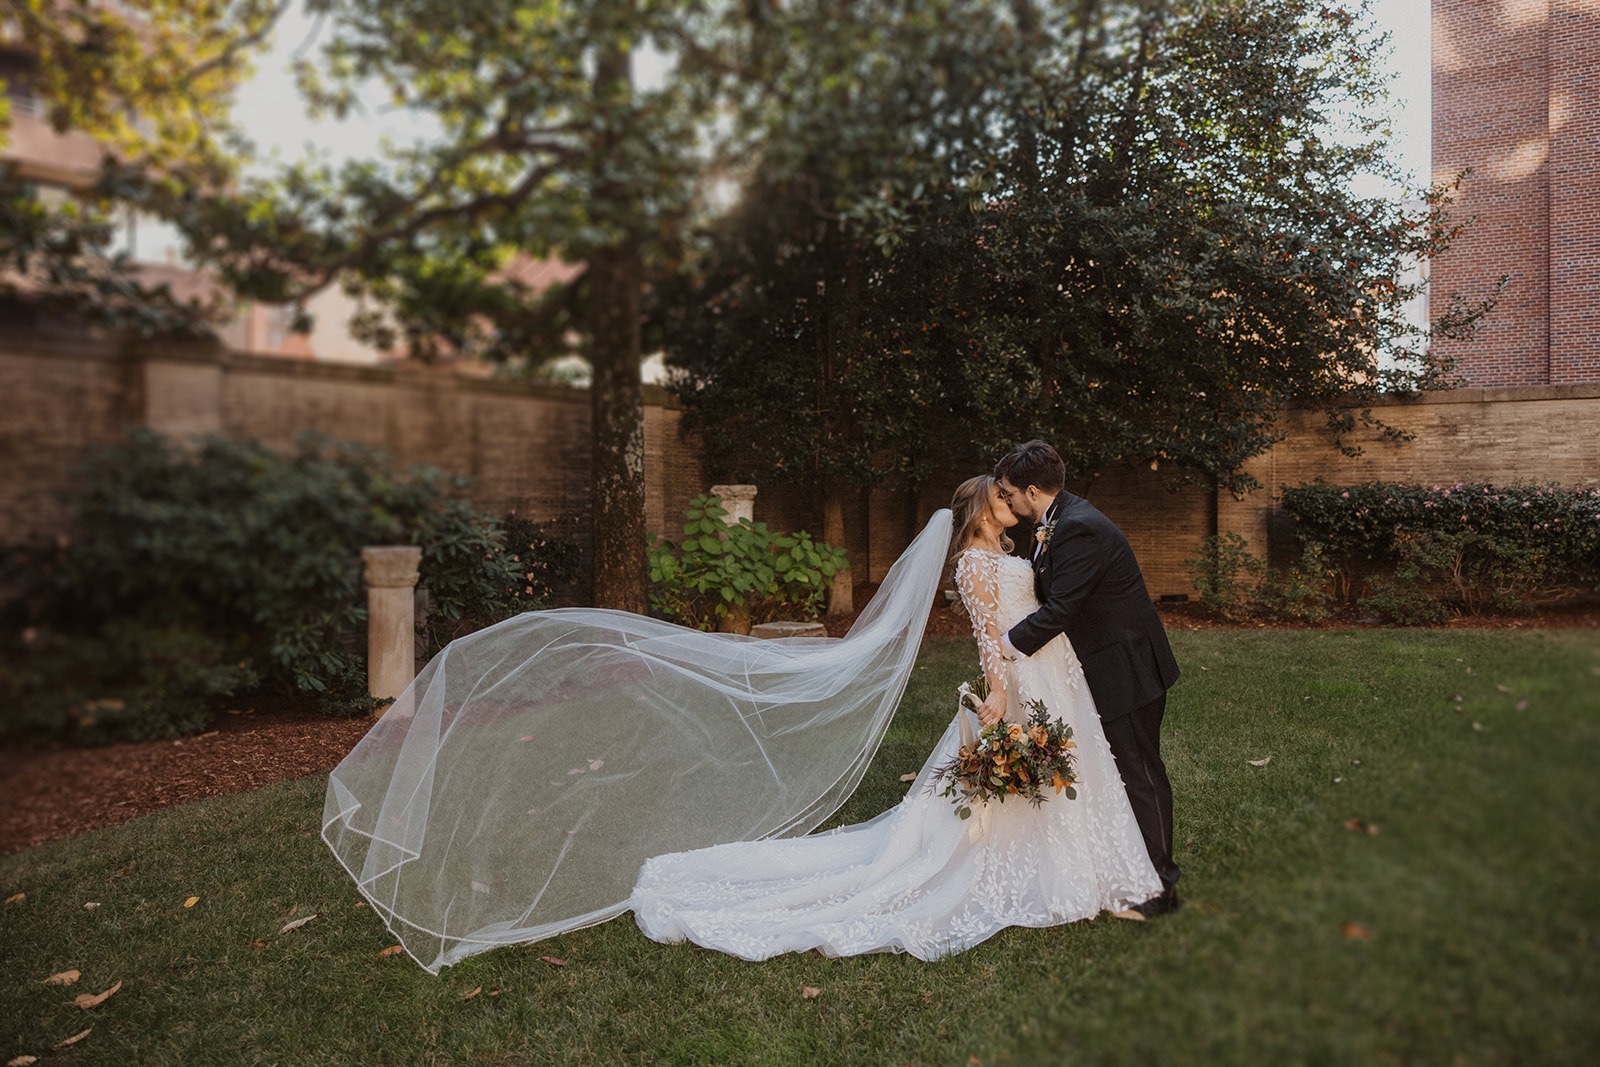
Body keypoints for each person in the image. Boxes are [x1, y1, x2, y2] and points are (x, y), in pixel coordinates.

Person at [628, 475, 1162, 958]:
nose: (1010, 501)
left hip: (1054, 670)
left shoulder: (1012, 552)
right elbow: (985, 640)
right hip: (1022, 678)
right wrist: (997, 694)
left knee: (1074, 765)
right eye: (1000, 496)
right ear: (979, 508)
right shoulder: (973, 564)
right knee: (1024, 778)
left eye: (1009, 494)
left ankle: (1087, 867)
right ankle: (1047, 870)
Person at [994, 440, 1182, 916]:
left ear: (1032, 491)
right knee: (1125, 769)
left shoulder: (1079, 529)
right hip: (1107, 662)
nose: (1010, 502)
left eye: (1010, 494)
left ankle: (1161, 889)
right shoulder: (1061, 519)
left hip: (1127, 668)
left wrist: (1005, 646)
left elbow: (1061, 608)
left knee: (1140, 772)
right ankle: (1133, 867)